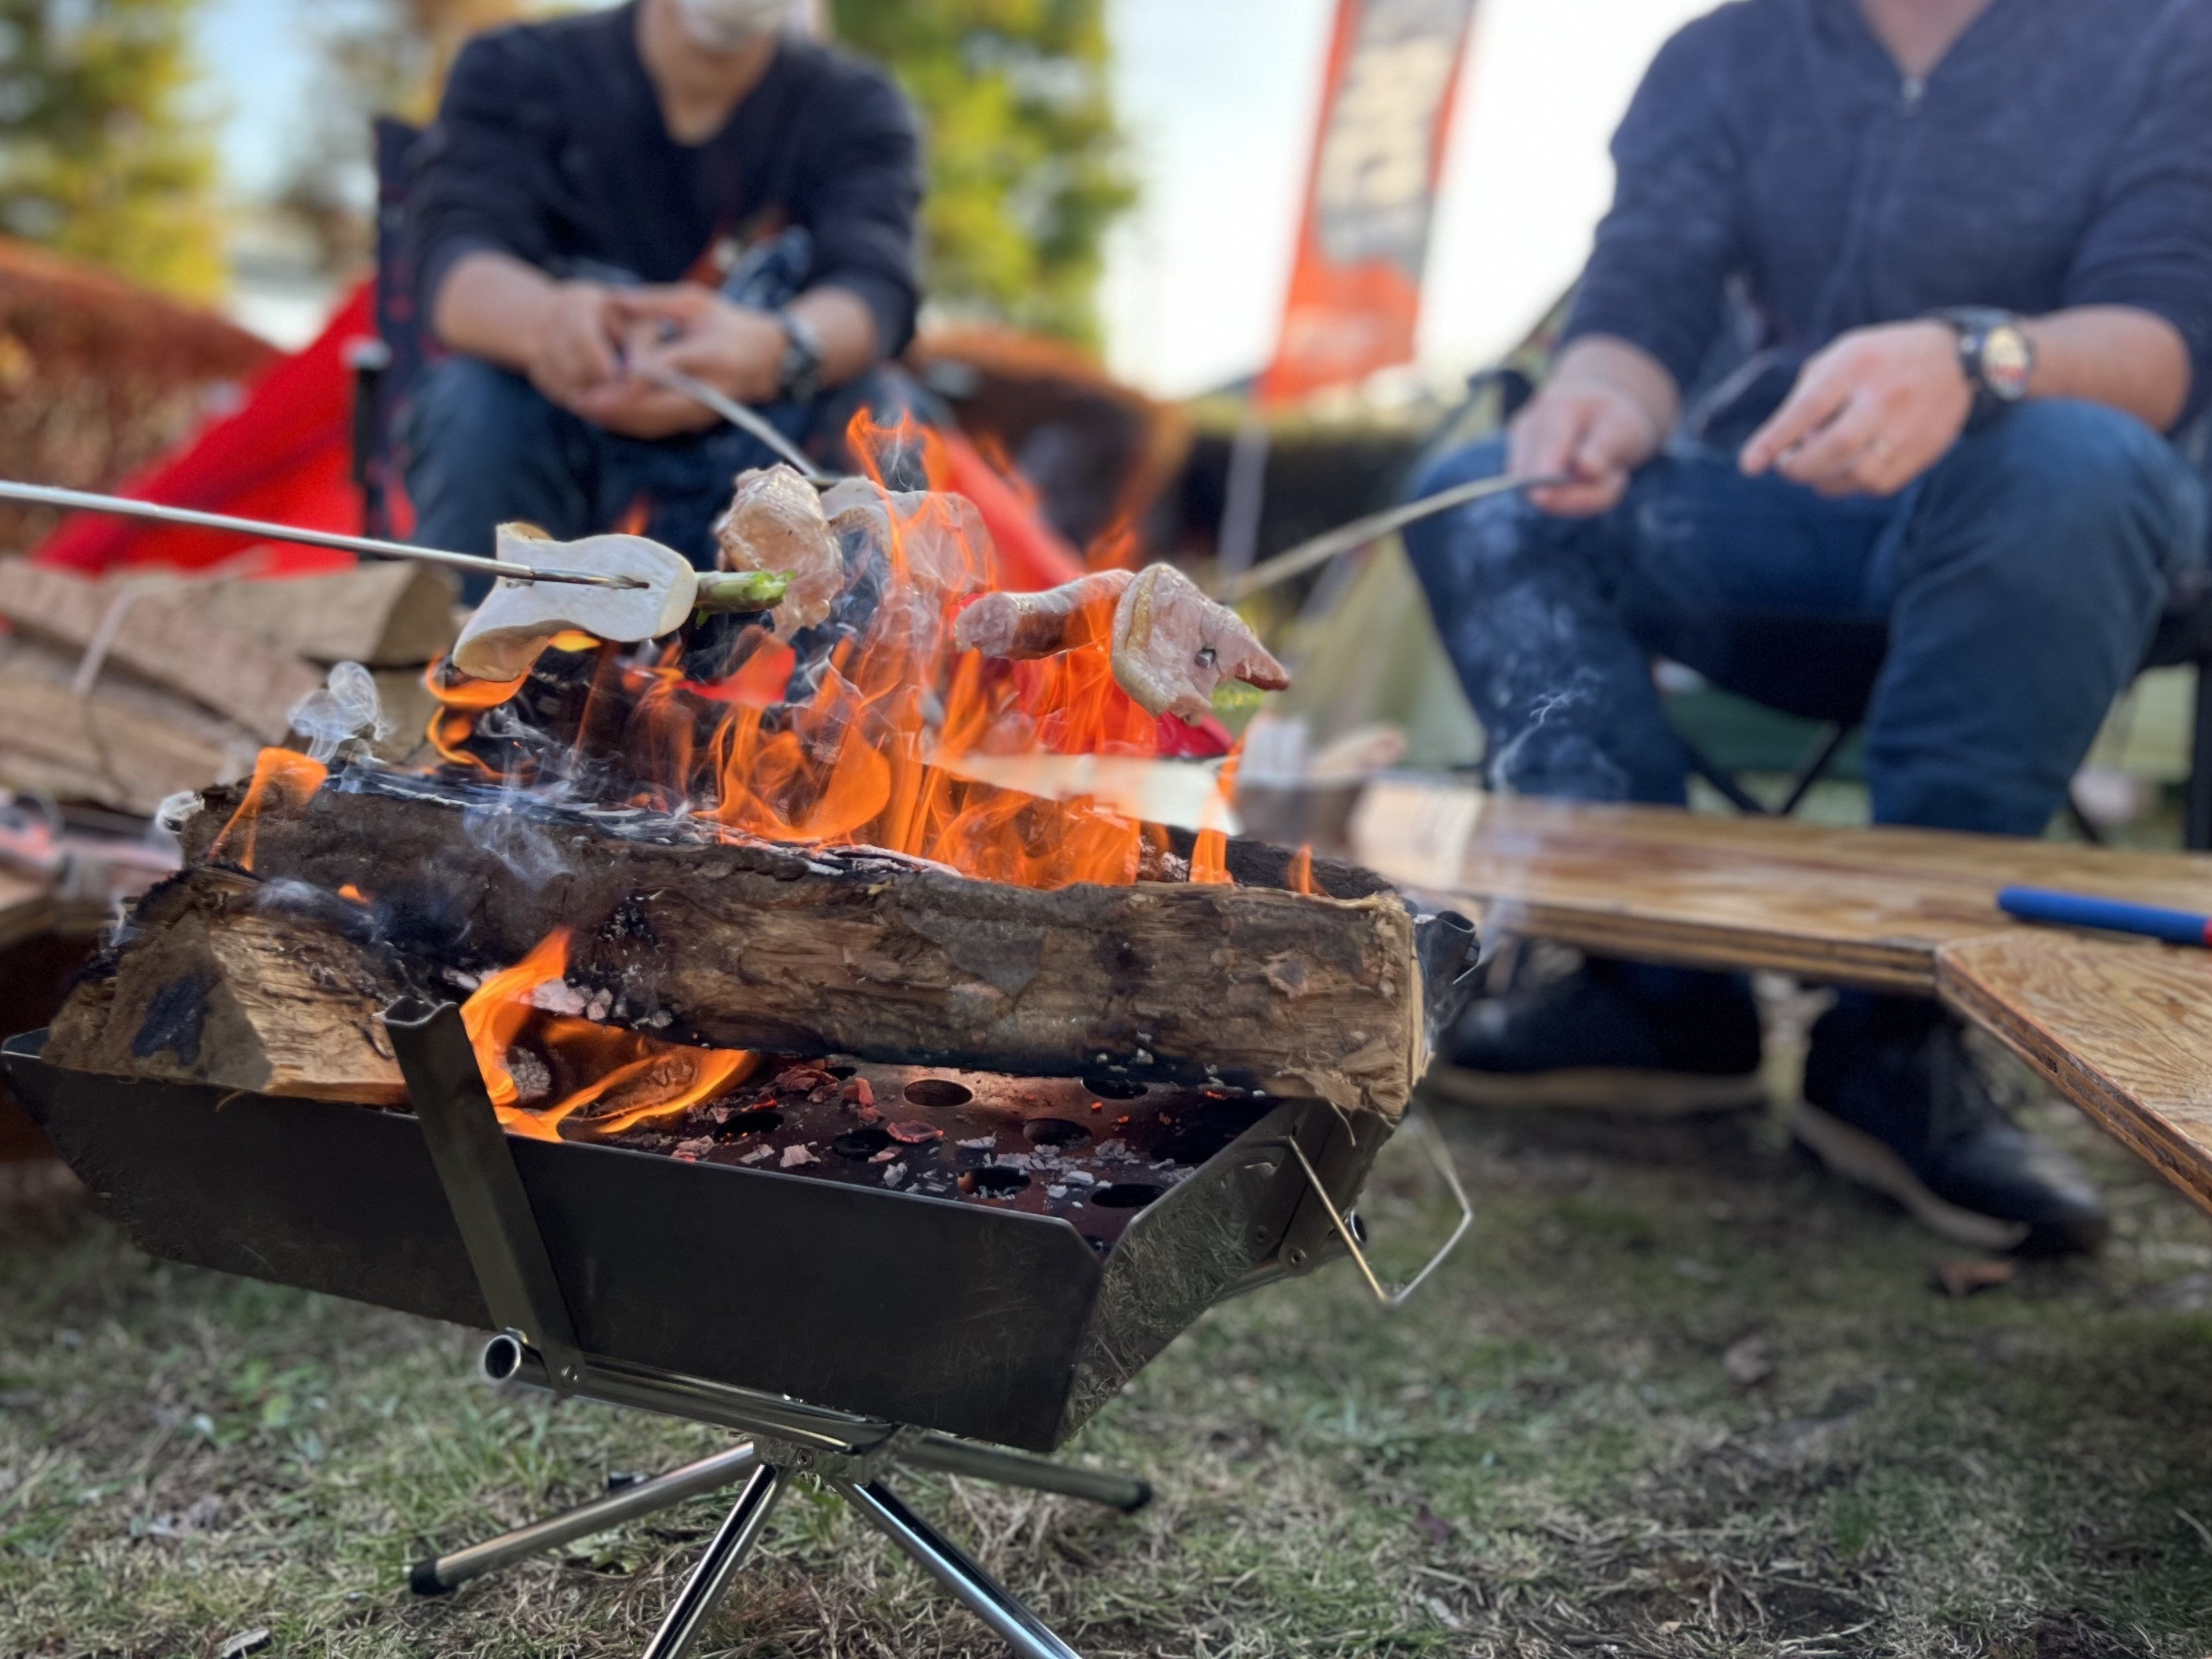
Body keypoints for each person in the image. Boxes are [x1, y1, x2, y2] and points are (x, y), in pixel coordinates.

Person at [1404, 0, 2212, 1256]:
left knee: (2075, 466)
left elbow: (2164, 342)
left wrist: (1972, 358)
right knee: (1483, 501)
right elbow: (1641, 302)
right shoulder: (1720, 55)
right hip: (1763, 522)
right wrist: (1595, 402)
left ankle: (1895, 1038)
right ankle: (1656, 997)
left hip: (2050, 545)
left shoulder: (2166, 37)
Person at [398, 0, 922, 585]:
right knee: (477, 400)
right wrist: (549, 324)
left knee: (882, 414)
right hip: (557, 433)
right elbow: (456, 259)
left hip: (765, 451)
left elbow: (875, 286)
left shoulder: (856, 106)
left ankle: (856, 646)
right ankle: (480, 635)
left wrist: (773, 352)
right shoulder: (513, 70)